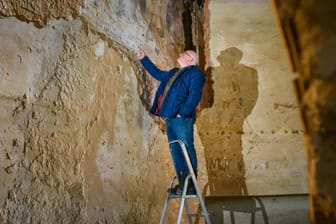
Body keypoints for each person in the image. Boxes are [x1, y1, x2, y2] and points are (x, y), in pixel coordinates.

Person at [137, 49, 206, 194]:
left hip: (181, 119)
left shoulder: (195, 74)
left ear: (190, 59)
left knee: (186, 149)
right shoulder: (174, 73)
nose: (179, 54)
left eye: (183, 54)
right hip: (170, 119)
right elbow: (157, 73)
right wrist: (144, 58)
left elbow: (195, 95)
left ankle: (191, 185)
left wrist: (182, 112)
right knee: (175, 150)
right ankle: (183, 184)